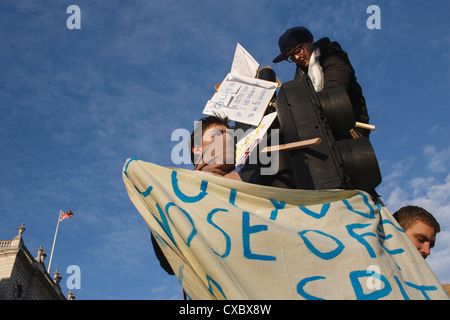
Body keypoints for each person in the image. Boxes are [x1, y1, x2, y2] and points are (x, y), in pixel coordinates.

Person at [273, 26, 370, 137]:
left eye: (298, 51)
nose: (296, 57)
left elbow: (334, 89)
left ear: (311, 41)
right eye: (291, 57)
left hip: (350, 129)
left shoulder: (331, 54)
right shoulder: (300, 76)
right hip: (324, 132)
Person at [190, 115, 242, 181]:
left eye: (230, 136)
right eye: (216, 134)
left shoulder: (250, 182)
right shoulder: (183, 185)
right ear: (197, 149)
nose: (227, 138)